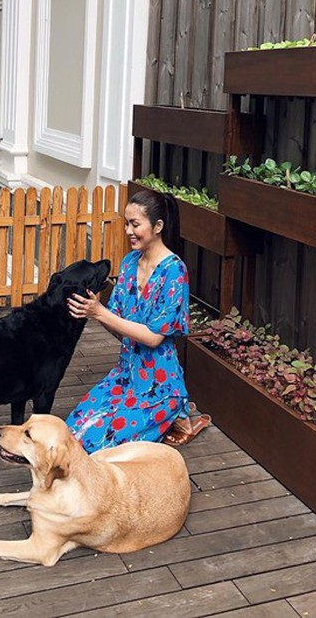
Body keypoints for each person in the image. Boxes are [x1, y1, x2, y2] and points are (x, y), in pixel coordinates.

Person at [65, 187, 211, 452]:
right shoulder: (130, 262)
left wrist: (100, 312)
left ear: (158, 226)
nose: (128, 231)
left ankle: (176, 411)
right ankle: (178, 418)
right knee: (72, 430)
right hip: (125, 374)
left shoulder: (175, 271)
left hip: (158, 384)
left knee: (97, 443)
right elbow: (115, 320)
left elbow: (153, 338)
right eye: (126, 224)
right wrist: (90, 309)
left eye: (135, 224)